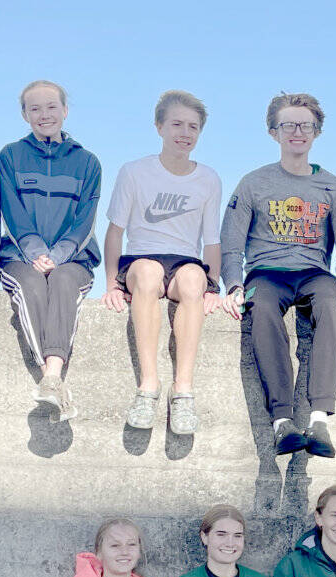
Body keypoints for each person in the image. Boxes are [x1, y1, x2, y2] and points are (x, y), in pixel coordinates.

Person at [219, 92, 336, 458]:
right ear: (274, 132)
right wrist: (232, 285)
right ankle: (283, 422)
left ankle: (320, 418)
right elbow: (231, 241)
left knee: (328, 303)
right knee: (259, 308)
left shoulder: (332, 186)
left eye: (305, 125)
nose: (297, 131)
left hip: (313, 273)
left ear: (317, 132)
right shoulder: (253, 183)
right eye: (288, 125)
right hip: (266, 273)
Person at [101, 90, 223, 434]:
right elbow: (115, 232)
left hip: (185, 261)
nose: (185, 133)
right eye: (177, 124)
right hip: (142, 259)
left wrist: (213, 286)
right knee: (150, 273)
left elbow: (212, 240)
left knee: (192, 281)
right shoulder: (134, 171)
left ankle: (182, 391)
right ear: (159, 127)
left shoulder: (209, 179)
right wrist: (112, 282)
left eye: (193, 127)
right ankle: (148, 387)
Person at [0, 80, 101, 421]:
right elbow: (11, 212)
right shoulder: (10, 157)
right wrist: (35, 253)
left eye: (52, 107)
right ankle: (54, 381)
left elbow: (85, 222)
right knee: (29, 286)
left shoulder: (88, 163)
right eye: (35, 108)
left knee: (62, 282)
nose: (44, 115)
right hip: (20, 256)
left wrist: (56, 257)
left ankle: (51, 377)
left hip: (73, 259)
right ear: (25, 114)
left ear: (65, 111)